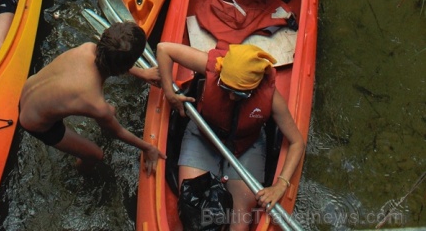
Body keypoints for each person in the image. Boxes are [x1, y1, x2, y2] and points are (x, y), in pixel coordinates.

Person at [156, 41, 305, 231]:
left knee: (240, 223)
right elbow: (163, 49)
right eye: (226, 88)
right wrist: (170, 93)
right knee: (192, 211)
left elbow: (297, 142)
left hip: (246, 145)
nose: (232, 97)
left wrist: (281, 185)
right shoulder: (214, 66)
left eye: (239, 93)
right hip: (204, 136)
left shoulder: (272, 98)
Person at [19, 21, 164, 174]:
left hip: (28, 92)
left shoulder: (87, 48)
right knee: (96, 155)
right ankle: (80, 177)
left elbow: (111, 58)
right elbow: (118, 132)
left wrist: (142, 73)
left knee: (110, 111)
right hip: (35, 123)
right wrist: (148, 148)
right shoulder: (94, 101)